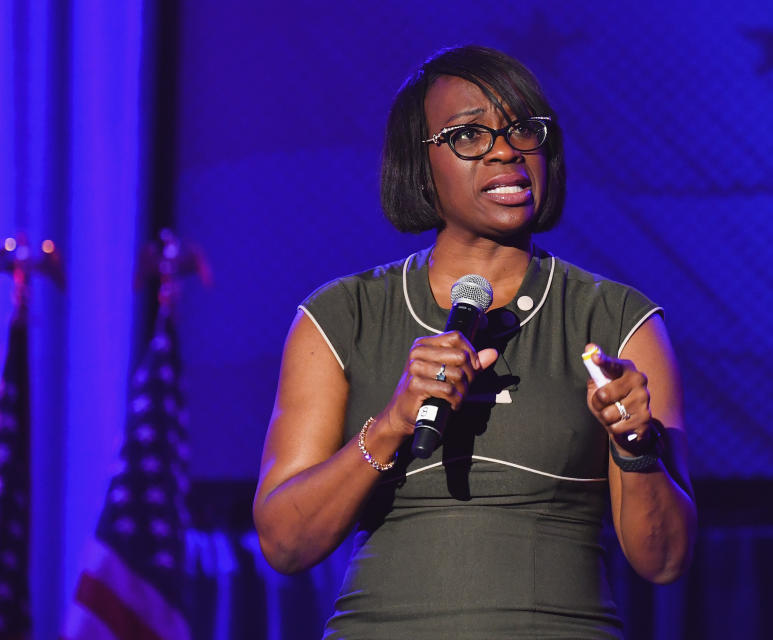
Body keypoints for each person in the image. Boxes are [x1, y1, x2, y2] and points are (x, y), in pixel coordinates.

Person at [253, 45, 696, 638]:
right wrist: (390, 423)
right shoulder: (339, 316)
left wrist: (636, 446)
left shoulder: (619, 320)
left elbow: (663, 560)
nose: (507, 151)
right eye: (469, 135)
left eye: (522, 130)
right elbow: (285, 543)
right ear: (419, 164)